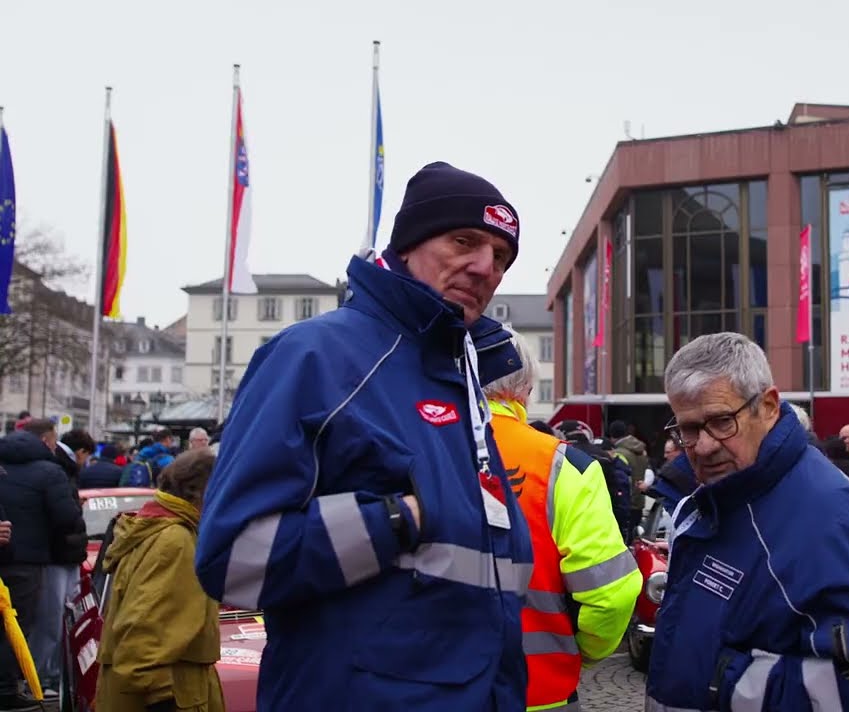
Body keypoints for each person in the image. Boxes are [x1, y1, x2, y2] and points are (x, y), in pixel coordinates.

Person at [194, 161, 534, 711]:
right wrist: (399, 520)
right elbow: (231, 559)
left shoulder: (464, 372)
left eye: (501, 256)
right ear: (408, 245)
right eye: (464, 241)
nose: (484, 267)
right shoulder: (315, 355)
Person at [645, 333, 849, 711]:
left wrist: (723, 680)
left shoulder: (825, 515)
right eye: (688, 429)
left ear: (768, 406)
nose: (702, 446)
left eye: (722, 422)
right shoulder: (726, 490)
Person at [482, 331, 640, 710]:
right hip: (540, 690)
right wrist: (583, 651)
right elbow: (610, 594)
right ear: (525, 389)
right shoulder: (563, 465)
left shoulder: (417, 446)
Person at [95, 448, 224, 712]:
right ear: (203, 491)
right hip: (173, 695)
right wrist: (162, 699)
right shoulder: (175, 540)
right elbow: (143, 635)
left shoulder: (160, 530)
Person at [0, 424, 83, 710]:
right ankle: (9, 688)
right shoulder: (49, 472)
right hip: (29, 561)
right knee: (18, 624)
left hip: (8, 552)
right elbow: (66, 516)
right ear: (46, 442)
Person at [607, 420, 650, 540]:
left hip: (625, 504)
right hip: (639, 502)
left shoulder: (618, 454)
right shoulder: (641, 450)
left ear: (612, 435)